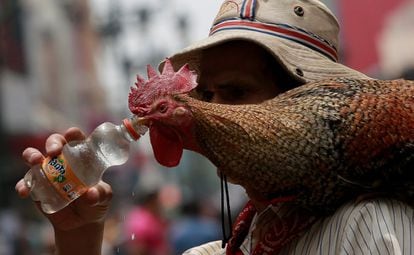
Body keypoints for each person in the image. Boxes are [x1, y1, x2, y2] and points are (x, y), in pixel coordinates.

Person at [15, 0, 414, 254]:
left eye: (236, 92)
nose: (213, 111)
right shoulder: (231, 247)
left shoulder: (367, 225)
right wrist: (79, 236)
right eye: (207, 95)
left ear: (298, 103)